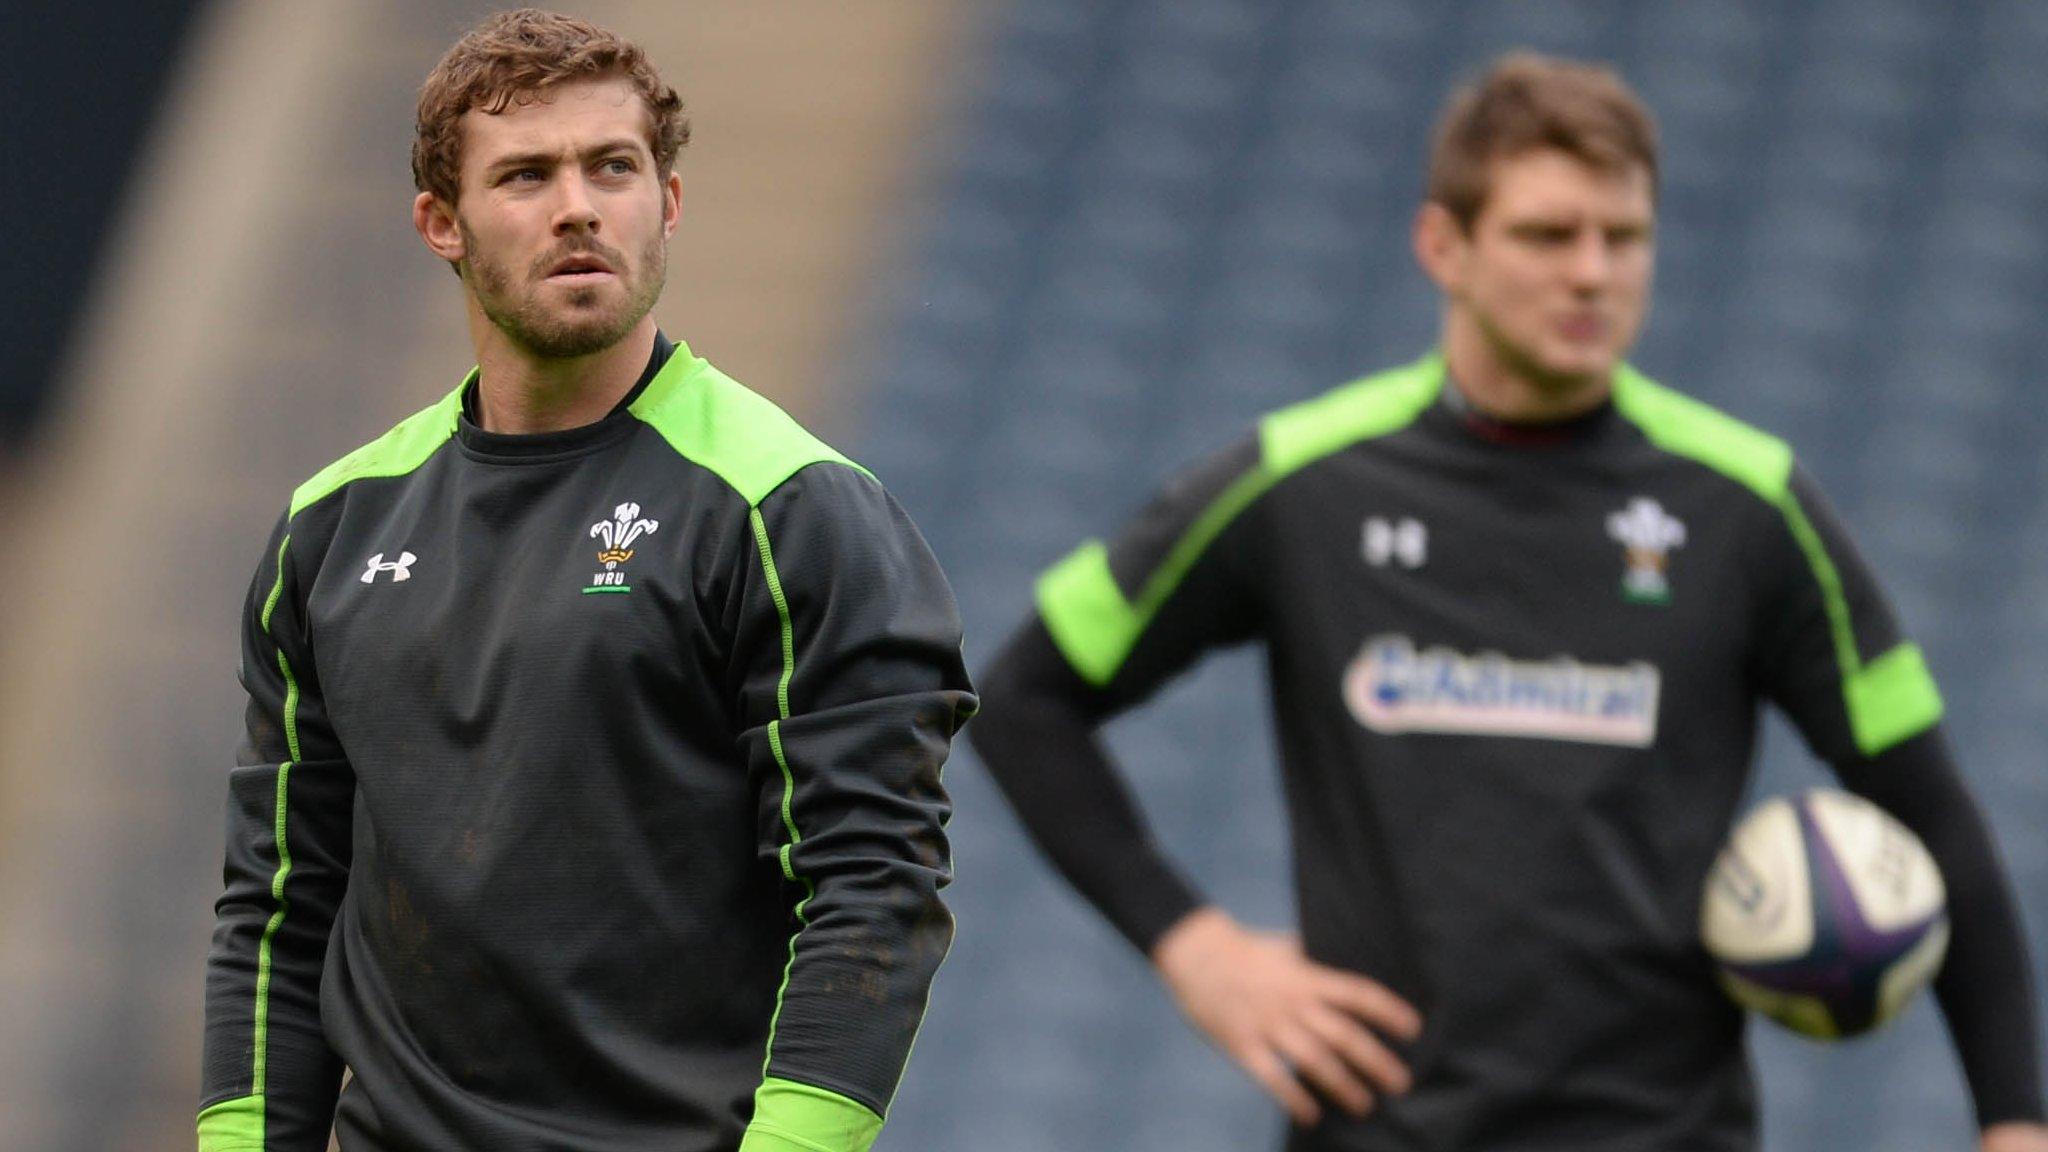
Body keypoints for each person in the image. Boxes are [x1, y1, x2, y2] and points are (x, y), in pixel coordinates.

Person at [969, 52, 2047, 1152]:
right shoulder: (1301, 484)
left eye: (1622, 237)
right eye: (1546, 235)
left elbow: (1930, 815)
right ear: (1443, 247)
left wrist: (2013, 1121)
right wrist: (1195, 950)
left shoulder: (1747, 506)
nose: (1590, 273)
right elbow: (1021, 703)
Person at [197, 11, 974, 1152]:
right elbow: (276, 906)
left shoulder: (790, 508)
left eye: (612, 167)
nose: (577, 205)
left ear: (667, 201)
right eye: (524, 175)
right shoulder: (333, 528)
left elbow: (871, 893)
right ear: (440, 225)